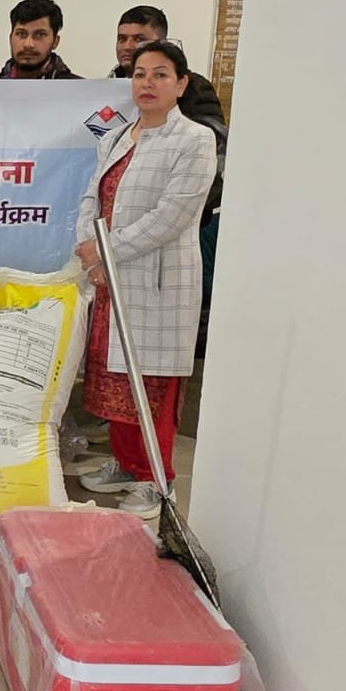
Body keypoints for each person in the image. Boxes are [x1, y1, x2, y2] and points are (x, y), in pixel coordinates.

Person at [73, 40, 217, 520]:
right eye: (139, 74)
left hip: (157, 283)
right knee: (114, 380)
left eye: (160, 74)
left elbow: (171, 217)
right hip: (111, 281)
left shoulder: (194, 140)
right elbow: (91, 198)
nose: (147, 83)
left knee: (151, 383)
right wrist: (87, 247)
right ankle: (125, 463)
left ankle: (155, 479)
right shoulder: (117, 136)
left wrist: (105, 249)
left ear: (181, 84)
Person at [108, 7, 228, 344]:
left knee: (155, 342)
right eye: (122, 38)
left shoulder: (194, 93)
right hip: (115, 235)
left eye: (139, 39)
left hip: (169, 239)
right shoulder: (105, 88)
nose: (128, 46)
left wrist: (180, 212)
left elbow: (210, 167)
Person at [0, 0, 78, 79]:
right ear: (10, 38)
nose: (28, 44)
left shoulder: (79, 87)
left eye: (40, 35)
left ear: (55, 42)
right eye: (21, 34)